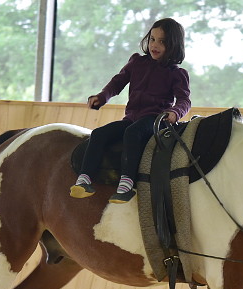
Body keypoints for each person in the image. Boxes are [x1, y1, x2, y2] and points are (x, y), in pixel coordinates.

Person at [70, 18, 191, 204]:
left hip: (154, 120)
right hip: (131, 118)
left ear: (173, 45)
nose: (154, 45)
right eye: (152, 39)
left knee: (132, 133)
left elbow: (184, 100)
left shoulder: (177, 73)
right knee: (100, 133)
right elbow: (117, 82)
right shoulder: (136, 62)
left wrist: (174, 112)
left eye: (162, 41)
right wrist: (102, 97)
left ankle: (126, 184)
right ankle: (85, 179)